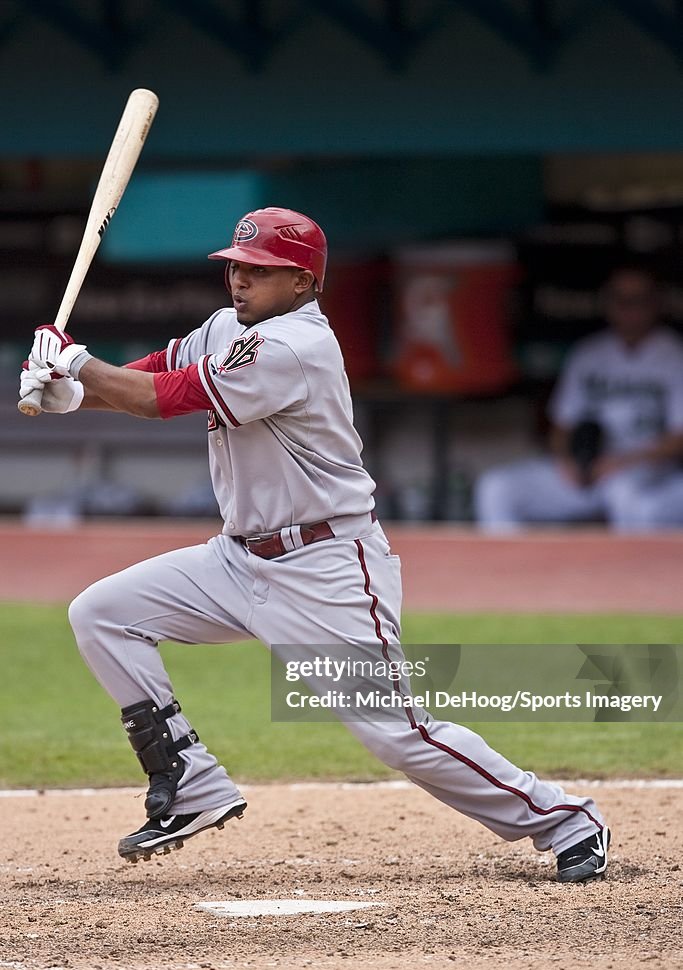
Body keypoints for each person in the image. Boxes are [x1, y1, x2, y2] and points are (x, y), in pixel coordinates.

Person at [21, 207, 609, 882]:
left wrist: (76, 360)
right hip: (235, 559)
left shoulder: (295, 346)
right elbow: (150, 374)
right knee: (101, 612)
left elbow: (164, 398)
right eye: (236, 266)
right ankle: (190, 784)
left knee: (398, 736)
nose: (239, 280)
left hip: (323, 567)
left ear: (301, 283)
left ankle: (566, 818)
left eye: (259, 271)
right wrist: (71, 392)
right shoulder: (227, 326)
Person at [475, 265, 683, 531]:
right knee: (497, 488)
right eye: (620, 299)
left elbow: (679, 438)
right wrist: (567, 460)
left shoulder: (674, 354)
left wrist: (621, 462)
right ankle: (506, 571)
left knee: (629, 496)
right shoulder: (589, 353)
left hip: (647, 471)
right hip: (587, 468)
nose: (629, 308)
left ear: (657, 303)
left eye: (639, 300)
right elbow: (561, 426)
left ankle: (624, 573)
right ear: (607, 302)